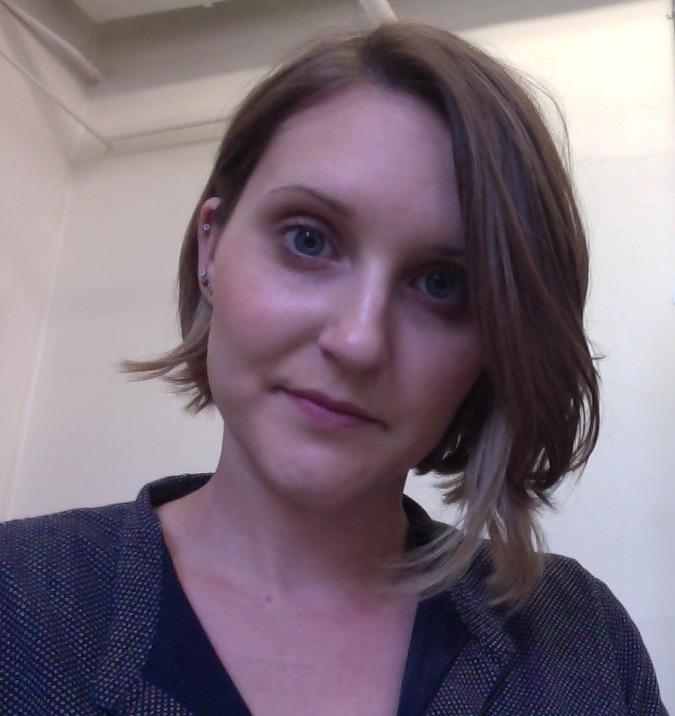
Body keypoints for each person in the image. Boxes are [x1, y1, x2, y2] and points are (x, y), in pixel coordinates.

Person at [0, 21, 667, 716]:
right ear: (211, 248)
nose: (358, 341)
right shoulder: (17, 601)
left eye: (442, 285)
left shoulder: (583, 643)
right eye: (308, 240)